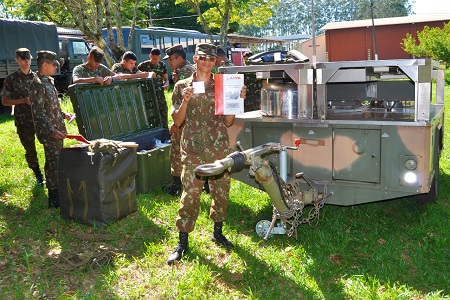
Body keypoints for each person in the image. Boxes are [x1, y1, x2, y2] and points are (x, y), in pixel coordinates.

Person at [166, 43, 246, 265]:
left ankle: (217, 232)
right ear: (195, 58)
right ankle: (182, 241)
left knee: (221, 192)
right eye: (203, 58)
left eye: (211, 59)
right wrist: (185, 100)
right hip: (193, 148)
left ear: (215, 61)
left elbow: (228, 122)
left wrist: (236, 99)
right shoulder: (182, 85)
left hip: (218, 147)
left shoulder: (222, 86)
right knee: (190, 195)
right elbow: (178, 121)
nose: (207, 62)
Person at [29, 51, 74, 208]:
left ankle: (57, 191)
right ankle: (54, 197)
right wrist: (50, 130)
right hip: (49, 132)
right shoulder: (37, 84)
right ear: (45, 64)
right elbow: (38, 112)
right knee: (53, 162)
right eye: (54, 64)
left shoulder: (48, 81)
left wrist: (64, 114)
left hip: (57, 129)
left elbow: (51, 106)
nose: (56, 67)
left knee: (56, 160)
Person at [1, 48, 45, 185]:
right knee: (30, 148)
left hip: (40, 117)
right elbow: (5, 101)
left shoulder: (38, 77)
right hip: (23, 119)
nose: (26, 61)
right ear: (17, 60)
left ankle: (53, 171)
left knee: (49, 144)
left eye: (28, 58)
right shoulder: (11, 79)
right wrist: (23, 101)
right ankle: (38, 174)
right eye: (23, 59)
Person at [162, 44, 195, 196]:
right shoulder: (186, 70)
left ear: (179, 58)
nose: (169, 63)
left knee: (176, 151)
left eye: (171, 59)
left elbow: (182, 101)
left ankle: (176, 186)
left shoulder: (184, 73)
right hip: (191, 120)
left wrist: (177, 123)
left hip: (183, 120)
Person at [137, 48, 170, 128]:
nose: (157, 61)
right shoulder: (142, 66)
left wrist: (167, 84)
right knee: (150, 113)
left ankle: (165, 130)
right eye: (155, 59)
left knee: (163, 111)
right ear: (150, 56)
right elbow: (137, 78)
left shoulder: (162, 65)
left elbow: (166, 79)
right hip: (148, 94)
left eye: (159, 59)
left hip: (160, 93)